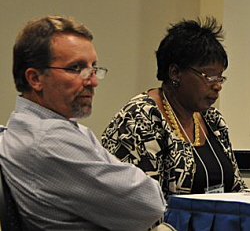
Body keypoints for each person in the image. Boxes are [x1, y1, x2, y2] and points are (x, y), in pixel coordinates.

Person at [0, 15, 166, 231]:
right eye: (75, 68)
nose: (93, 81)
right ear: (35, 78)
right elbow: (150, 203)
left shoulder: (23, 128)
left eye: (93, 67)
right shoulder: (49, 140)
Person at [102, 17, 247, 200]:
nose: (217, 86)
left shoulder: (212, 119)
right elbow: (140, 205)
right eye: (208, 76)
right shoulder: (139, 120)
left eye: (220, 78)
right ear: (175, 73)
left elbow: (237, 188)